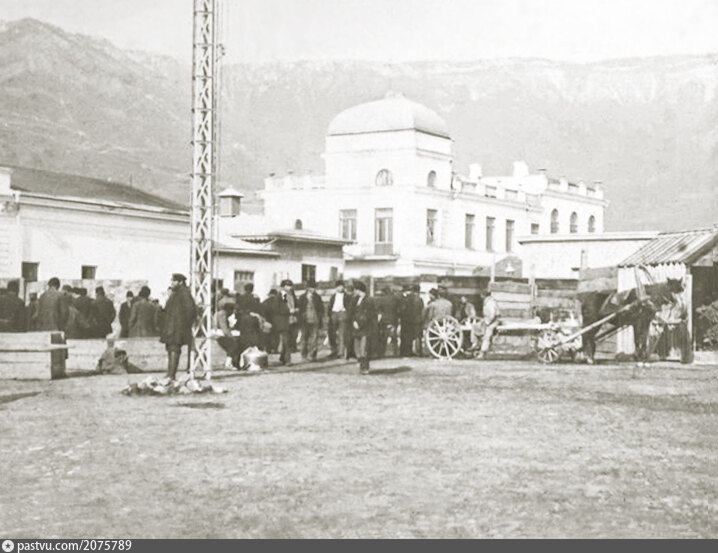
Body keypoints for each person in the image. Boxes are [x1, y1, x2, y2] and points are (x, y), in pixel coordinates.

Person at [159, 273, 197, 381]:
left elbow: (190, 310)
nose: (172, 283)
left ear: (180, 282)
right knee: (171, 348)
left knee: (174, 349)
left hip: (177, 328)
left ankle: (171, 375)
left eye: (174, 281)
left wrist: (184, 324)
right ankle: (170, 374)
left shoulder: (184, 293)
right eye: (172, 281)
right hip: (172, 327)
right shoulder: (176, 293)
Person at [351, 281, 377, 375]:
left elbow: (368, 315)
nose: (354, 291)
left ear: (359, 290)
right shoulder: (356, 300)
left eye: (356, 289)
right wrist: (354, 321)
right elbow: (353, 312)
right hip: (357, 328)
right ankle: (361, 366)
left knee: (364, 349)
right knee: (357, 348)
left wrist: (359, 323)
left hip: (365, 328)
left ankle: (365, 368)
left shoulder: (368, 301)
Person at [297, 280, 325, 361]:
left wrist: (320, 319)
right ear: (307, 288)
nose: (313, 289)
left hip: (315, 320)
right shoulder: (302, 297)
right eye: (311, 288)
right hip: (305, 321)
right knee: (304, 339)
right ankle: (304, 355)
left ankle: (312, 355)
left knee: (314, 339)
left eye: (314, 288)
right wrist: (300, 320)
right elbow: (299, 310)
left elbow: (321, 309)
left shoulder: (317, 297)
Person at [265, 287, 291, 365]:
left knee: (284, 340)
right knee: (286, 341)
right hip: (282, 322)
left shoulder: (281, 296)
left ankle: (283, 358)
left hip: (277, 322)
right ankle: (287, 359)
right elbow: (284, 308)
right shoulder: (283, 295)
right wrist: (290, 311)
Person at [374, 286, 400, 357]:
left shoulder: (382, 299)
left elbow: (377, 309)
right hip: (394, 320)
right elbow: (399, 309)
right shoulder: (395, 299)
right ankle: (395, 352)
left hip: (384, 320)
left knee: (383, 337)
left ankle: (381, 353)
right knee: (394, 337)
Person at [399, 284, 424, 357]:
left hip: (407, 320)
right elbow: (421, 309)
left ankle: (405, 352)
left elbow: (403, 310)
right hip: (417, 320)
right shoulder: (419, 299)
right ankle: (418, 352)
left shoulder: (407, 298)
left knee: (406, 337)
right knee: (417, 336)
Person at [327, 280, 349, 359]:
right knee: (332, 334)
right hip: (334, 314)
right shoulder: (333, 296)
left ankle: (341, 352)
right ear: (336, 288)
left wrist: (347, 315)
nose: (340, 288)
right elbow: (329, 306)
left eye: (341, 286)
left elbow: (349, 306)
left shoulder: (347, 296)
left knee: (342, 334)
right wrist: (329, 316)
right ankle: (333, 351)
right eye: (338, 286)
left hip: (343, 314)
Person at [214, 301, 239, 369]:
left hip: (218, 334)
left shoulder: (220, 313)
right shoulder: (222, 315)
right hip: (219, 335)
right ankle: (228, 363)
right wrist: (231, 336)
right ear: (229, 310)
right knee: (233, 344)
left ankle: (231, 362)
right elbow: (224, 329)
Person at [476, 291, 501, 359]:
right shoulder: (487, 302)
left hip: (494, 321)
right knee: (477, 327)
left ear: (484, 295)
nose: (481, 297)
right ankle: (476, 344)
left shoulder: (491, 303)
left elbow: (492, 315)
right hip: (488, 320)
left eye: (482, 296)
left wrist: (488, 322)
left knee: (488, 333)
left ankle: (483, 352)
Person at [281, 280, 299, 352]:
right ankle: (287, 351)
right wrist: (289, 310)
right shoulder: (283, 295)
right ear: (283, 286)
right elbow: (283, 306)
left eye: (290, 286)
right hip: (286, 318)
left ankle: (292, 347)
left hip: (293, 318)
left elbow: (296, 304)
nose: (289, 287)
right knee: (286, 336)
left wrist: (296, 309)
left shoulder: (292, 295)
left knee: (293, 334)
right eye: (287, 286)